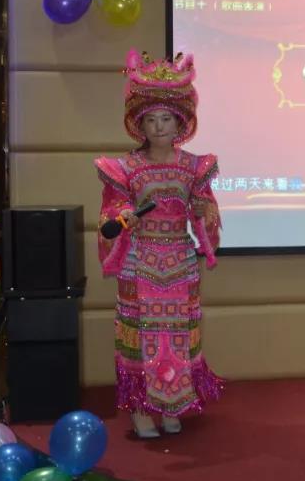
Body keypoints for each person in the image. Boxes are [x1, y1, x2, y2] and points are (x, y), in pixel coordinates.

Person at [95, 49, 223, 439]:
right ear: (140, 124)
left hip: (180, 260)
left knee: (178, 336)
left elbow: (206, 210)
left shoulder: (194, 166)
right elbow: (111, 214)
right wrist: (124, 217)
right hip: (139, 261)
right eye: (151, 120)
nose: (159, 126)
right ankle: (140, 410)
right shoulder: (125, 168)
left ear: (180, 121)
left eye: (166, 119)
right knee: (139, 336)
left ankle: (173, 405)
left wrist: (203, 211)